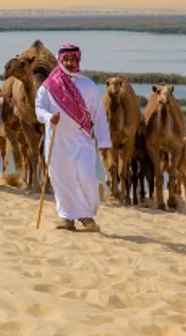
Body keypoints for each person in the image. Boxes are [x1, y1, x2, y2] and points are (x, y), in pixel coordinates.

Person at [35, 44, 111, 232]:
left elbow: (99, 114)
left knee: (86, 177)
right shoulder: (49, 86)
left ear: (78, 60)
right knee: (62, 180)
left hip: (82, 140)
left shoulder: (88, 84)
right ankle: (68, 218)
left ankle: (86, 214)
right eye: (66, 60)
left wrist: (104, 141)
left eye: (73, 60)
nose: (70, 63)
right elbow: (39, 108)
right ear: (61, 61)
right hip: (57, 141)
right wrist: (48, 118)